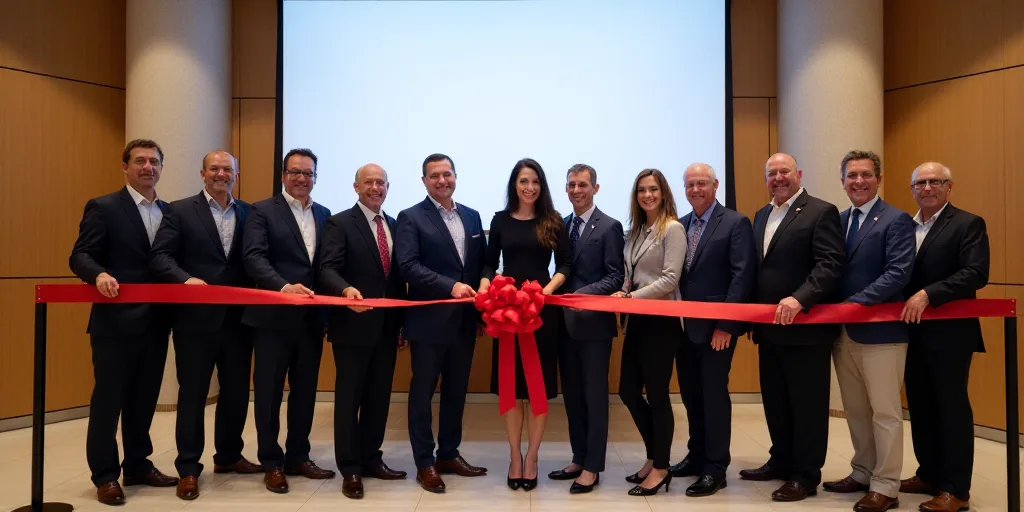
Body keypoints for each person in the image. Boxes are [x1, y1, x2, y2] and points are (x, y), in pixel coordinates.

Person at [69, 139, 178, 505]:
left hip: (157, 322)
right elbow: (80, 254)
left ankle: (137, 465)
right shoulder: (104, 207)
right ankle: (105, 475)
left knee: (143, 399)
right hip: (115, 323)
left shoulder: (169, 211)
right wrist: (98, 274)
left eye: (154, 162)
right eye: (140, 161)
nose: (148, 167)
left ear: (161, 168)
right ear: (125, 166)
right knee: (109, 400)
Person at [149, 150, 260, 500]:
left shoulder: (250, 213)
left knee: (236, 393)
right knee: (193, 395)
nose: (221, 174)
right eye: (214, 168)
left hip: (239, 321)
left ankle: (228, 456)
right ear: (202, 173)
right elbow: (160, 257)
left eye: (227, 169)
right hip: (195, 322)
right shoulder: (180, 211)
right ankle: (188, 467)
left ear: (236, 175)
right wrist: (185, 280)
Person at [741, 153, 844, 502]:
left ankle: (805, 475)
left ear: (798, 174)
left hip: (806, 330)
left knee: (808, 406)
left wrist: (800, 299)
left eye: (784, 171)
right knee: (776, 401)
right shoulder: (762, 214)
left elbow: (830, 265)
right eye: (771, 173)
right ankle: (781, 460)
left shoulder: (821, 211)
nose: (778, 178)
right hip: (769, 329)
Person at [823, 150, 915, 512]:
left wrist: (853, 304)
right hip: (843, 333)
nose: (858, 181)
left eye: (865, 175)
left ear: (878, 179)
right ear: (842, 181)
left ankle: (886, 485)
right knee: (856, 409)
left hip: (882, 334)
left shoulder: (896, 219)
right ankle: (862, 471)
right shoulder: (839, 220)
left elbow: (898, 273)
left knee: (885, 413)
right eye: (852, 176)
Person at [242, 148, 335, 494]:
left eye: (308, 173)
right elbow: (254, 257)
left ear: (315, 178)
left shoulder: (325, 214)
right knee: (268, 393)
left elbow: (325, 266)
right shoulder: (262, 210)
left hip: (310, 321)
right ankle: (271, 462)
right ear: (283, 176)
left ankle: (298, 456)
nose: (301, 178)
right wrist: (283, 287)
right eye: (295, 172)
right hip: (272, 318)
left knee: (305, 392)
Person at [395, 153, 489, 493]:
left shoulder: (472, 216)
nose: (442, 181)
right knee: (423, 393)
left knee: (456, 392)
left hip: (464, 323)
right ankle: (425, 462)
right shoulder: (410, 217)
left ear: (455, 177)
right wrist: (450, 286)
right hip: (428, 323)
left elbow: (483, 263)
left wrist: (483, 289)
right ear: (424, 181)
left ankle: (448, 454)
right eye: (434, 176)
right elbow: (407, 266)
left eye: (447, 174)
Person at [899, 162, 989, 512]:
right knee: (920, 406)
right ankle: (929, 474)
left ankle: (956, 490)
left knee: (951, 410)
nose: (927, 188)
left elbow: (975, 273)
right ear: (912, 189)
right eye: (920, 183)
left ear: (949, 186)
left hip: (951, 336)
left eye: (935, 181)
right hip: (911, 332)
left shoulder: (967, 223)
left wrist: (928, 294)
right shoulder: (905, 226)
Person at [479, 158, 572, 492]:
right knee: (512, 388)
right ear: (514, 185)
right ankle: (514, 457)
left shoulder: (553, 220)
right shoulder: (500, 220)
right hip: (506, 311)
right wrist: (485, 288)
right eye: (523, 181)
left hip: (540, 311)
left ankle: (532, 457)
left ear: (541, 185)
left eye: (535, 181)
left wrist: (545, 292)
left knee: (537, 389)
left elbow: (565, 264)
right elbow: (489, 264)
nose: (529, 187)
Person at [319, 163, 408, 500]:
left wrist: (401, 324)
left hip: (387, 329)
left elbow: (397, 281)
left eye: (380, 182)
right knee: (349, 399)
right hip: (352, 326)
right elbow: (327, 268)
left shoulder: (395, 225)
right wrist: (345, 291)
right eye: (368, 182)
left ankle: (371, 458)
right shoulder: (340, 222)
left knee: (378, 398)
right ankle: (350, 467)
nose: (375, 188)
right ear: (356, 187)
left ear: (388, 187)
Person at [668, 163, 756, 498]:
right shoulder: (680, 224)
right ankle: (697, 455)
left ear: (715, 185)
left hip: (717, 331)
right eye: (690, 184)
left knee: (714, 396)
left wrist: (727, 326)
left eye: (702, 183)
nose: (695, 189)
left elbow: (741, 277)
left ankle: (715, 468)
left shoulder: (735, 222)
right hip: (684, 329)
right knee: (691, 396)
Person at [548, 164, 624, 494]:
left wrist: (581, 296)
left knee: (594, 398)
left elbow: (615, 276)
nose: (576, 190)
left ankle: (593, 467)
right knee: (573, 397)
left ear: (595, 188)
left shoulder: (610, 226)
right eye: (571, 185)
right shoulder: (561, 226)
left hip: (594, 327)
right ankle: (578, 458)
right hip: (564, 326)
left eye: (582, 184)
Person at [614, 168, 686, 497]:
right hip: (638, 321)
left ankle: (661, 467)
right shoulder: (635, 232)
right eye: (642, 190)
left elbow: (670, 279)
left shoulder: (672, 229)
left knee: (657, 396)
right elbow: (631, 274)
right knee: (628, 391)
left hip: (662, 322)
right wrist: (623, 291)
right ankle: (653, 456)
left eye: (653, 189)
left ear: (663, 193)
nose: (647, 195)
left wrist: (632, 297)